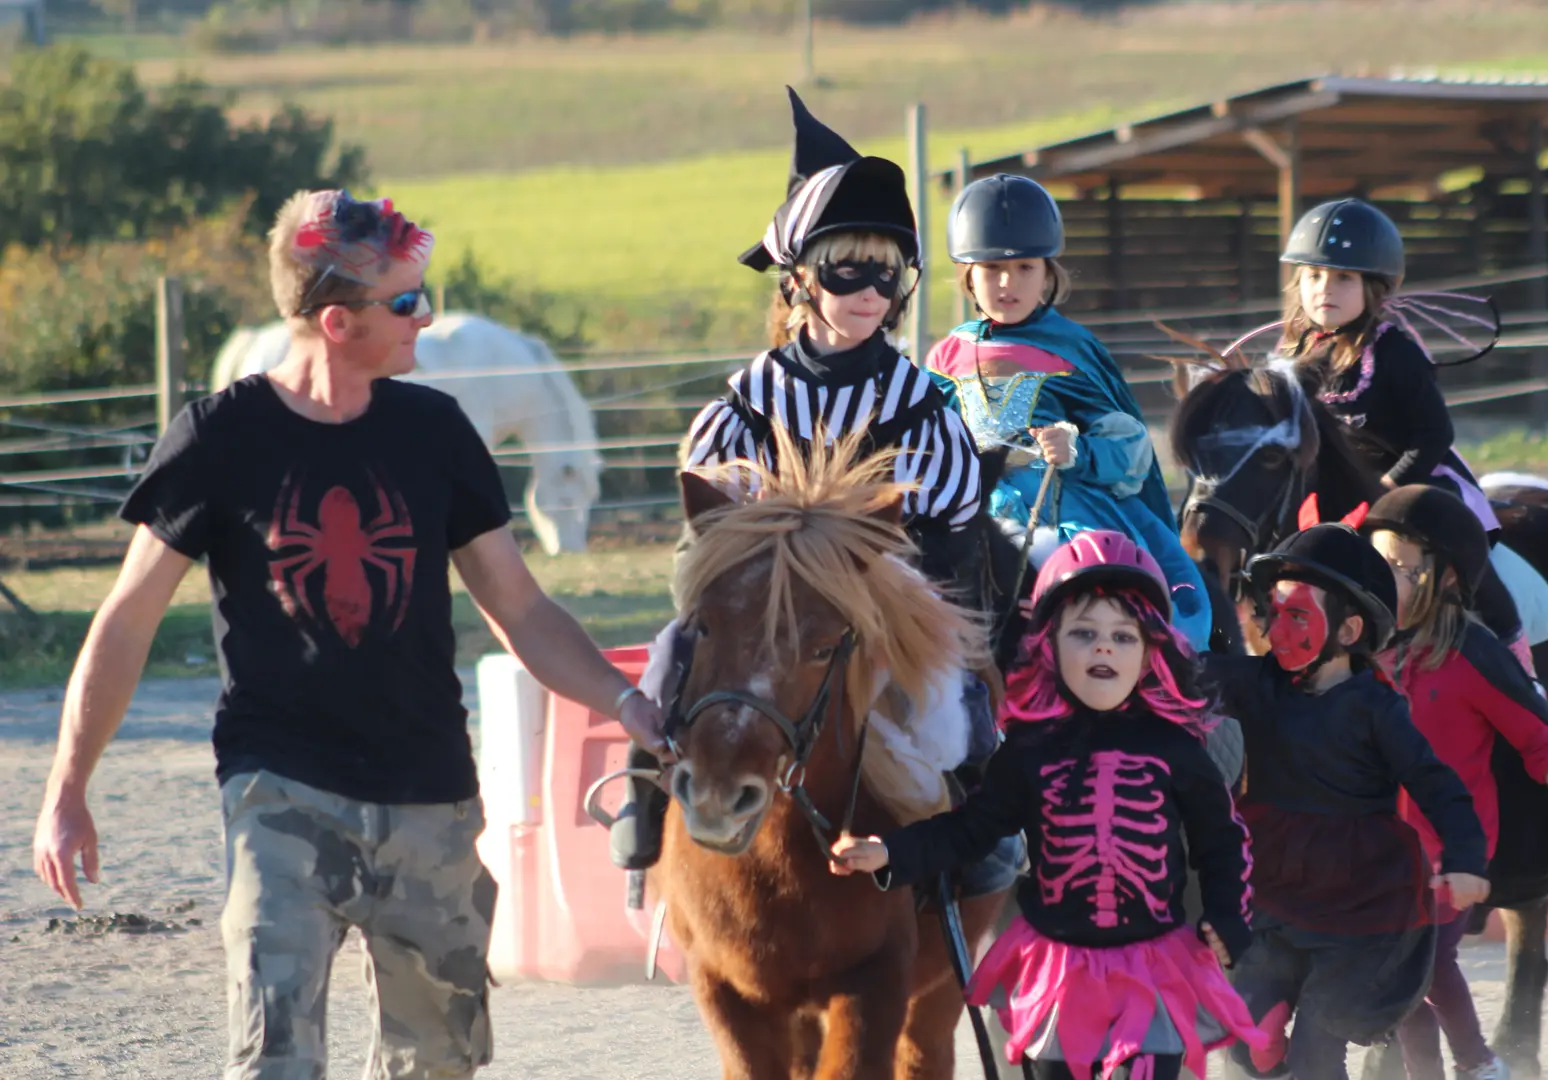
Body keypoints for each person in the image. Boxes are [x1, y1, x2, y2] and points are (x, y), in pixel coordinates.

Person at [29, 189, 666, 1080]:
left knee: (437, 1065)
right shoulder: (222, 436)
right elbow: (127, 618)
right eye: (405, 302)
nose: (427, 317)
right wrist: (68, 787)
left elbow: (519, 608)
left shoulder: (435, 431)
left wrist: (628, 701)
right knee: (275, 1060)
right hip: (281, 793)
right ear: (337, 321)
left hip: (432, 796)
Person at [606, 87, 1011, 903]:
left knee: (952, 716)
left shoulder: (925, 408)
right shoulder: (743, 405)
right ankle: (646, 792)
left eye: (887, 272)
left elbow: (951, 542)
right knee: (668, 658)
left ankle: (973, 837)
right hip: (758, 600)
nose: (869, 289)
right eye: (846, 268)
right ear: (798, 280)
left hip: (885, 603)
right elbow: (709, 540)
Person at [831, 530, 1268, 1080]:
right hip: (1061, 974)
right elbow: (972, 829)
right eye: (1083, 633)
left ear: (1151, 653)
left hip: (1155, 968)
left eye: (1123, 636)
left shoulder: (1178, 750)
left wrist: (1229, 917)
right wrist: (890, 852)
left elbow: (1223, 843)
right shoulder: (1028, 754)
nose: (1103, 647)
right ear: (1049, 648)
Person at [1202, 524, 1488, 1080]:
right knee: (1247, 1038)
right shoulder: (1257, 682)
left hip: (1360, 907)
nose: (1273, 629)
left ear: (1349, 628)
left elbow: (1438, 784)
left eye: (1297, 616)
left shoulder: (1377, 708)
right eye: (1272, 612)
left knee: (1316, 1050)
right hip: (1272, 895)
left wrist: (1466, 858)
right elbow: (1179, 668)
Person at [1360, 486, 1548, 1080]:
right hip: (1377, 856)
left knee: (1429, 968)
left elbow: (1542, 742)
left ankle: (1479, 1064)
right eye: (1377, 562)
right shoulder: (1365, 652)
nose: (1384, 578)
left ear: (1442, 579)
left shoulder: (1469, 654)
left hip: (1452, 850)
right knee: (1399, 987)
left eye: (1400, 568)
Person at [924, 173, 1214, 650]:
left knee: (1089, 598)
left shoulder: (1075, 349)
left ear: (1048, 273)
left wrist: (1078, 448)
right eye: (992, 268)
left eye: (1024, 268)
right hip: (978, 514)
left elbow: (1132, 450)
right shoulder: (944, 357)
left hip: (1066, 516)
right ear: (968, 276)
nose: (1007, 282)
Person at [1274, 198, 1534, 676]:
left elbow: (1434, 434)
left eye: (1342, 278)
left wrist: (1386, 490)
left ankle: (1518, 663)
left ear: (1375, 288)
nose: (1324, 289)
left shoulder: (1396, 352)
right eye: (1313, 276)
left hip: (1412, 481)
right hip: (1332, 489)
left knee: (1471, 559)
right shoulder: (1292, 355)